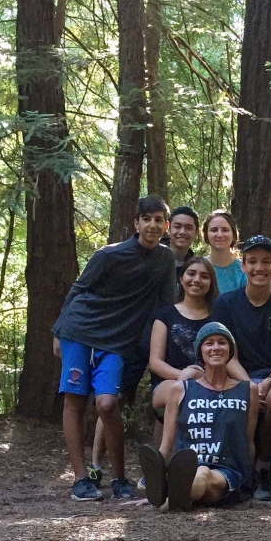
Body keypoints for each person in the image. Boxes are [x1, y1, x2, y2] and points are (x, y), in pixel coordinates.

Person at [52, 195, 177, 501]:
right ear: (136, 223)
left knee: (107, 404)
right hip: (80, 330)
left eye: (158, 219)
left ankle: (120, 478)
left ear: (166, 226)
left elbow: (166, 306)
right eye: (146, 219)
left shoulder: (165, 260)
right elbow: (79, 289)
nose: (152, 225)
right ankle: (81, 479)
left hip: (116, 341)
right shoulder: (109, 255)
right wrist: (58, 332)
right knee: (75, 400)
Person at [90, 205, 202, 485]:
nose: (181, 231)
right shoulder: (150, 253)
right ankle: (95, 464)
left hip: (170, 340)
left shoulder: (195, 266)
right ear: (168, 227)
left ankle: (158, 467)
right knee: (114, 398)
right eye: (177, 225)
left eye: (188, 227)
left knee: (162, 404)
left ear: (195, 233)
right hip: (132, 337)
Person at [211, 235, 271, 501]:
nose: (259, 268)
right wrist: (249, 384)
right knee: (245, 395)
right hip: (237, 374)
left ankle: (263, 466)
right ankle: (238, 470)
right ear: (243, 266)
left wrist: (269, 381)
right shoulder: (226, 303)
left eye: (266, 262)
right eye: (252, 262)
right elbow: (228, 355)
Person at [140, 322, 260, 511]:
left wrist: (248, 482)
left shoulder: (248, 391)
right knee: (198, 473)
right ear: (200, 351)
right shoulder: (180, 390)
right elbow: (167, 444)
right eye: (209, 343)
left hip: (227, 473)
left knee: (203, 473)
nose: (216, 348)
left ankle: (170, 498)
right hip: (185, 466)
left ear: (230, 350)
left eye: (222, 342)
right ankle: (174, 492)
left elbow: (248, 441)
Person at [148, 257, 246, 439]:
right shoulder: (165, 315)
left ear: (211, 282)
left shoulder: (220, 316)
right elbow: (155, 362)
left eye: (204, 276)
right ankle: (163, 459)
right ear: (181, 278)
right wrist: (187, 376)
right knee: (180, 391)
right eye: (191, 274)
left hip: (214, 381)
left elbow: (231, 359)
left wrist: (249, 386)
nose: (197, 280)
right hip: (169, 382)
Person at [203, 209, 246, 294]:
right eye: (214, 230)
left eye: (225, 230)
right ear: (206, 235)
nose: (219, 235)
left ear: (234, 235)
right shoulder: (199, 267)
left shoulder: (243, 270)